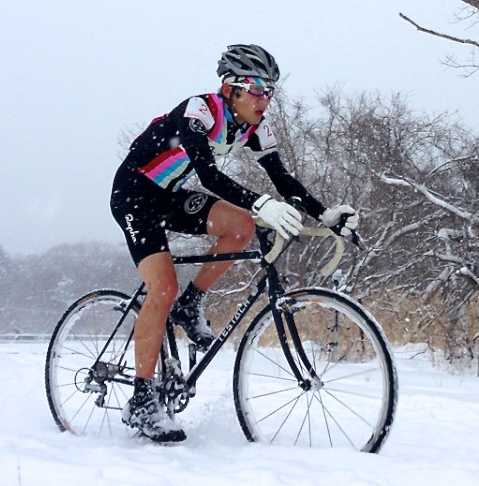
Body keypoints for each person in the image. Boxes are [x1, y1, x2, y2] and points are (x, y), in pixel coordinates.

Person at [110, 44, 359, 442]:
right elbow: (207, 174)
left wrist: (325, 213)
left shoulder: (255, 128)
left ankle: (190, 306)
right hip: (134, 194)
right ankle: (142, 400)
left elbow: (283, 178)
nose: (266, 100)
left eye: (270, 91)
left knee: (241, 226)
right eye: (258, 89)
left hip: (172, 193)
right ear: (231, 89)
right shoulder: (201, 111)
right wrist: (261, 202)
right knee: (162, 286)